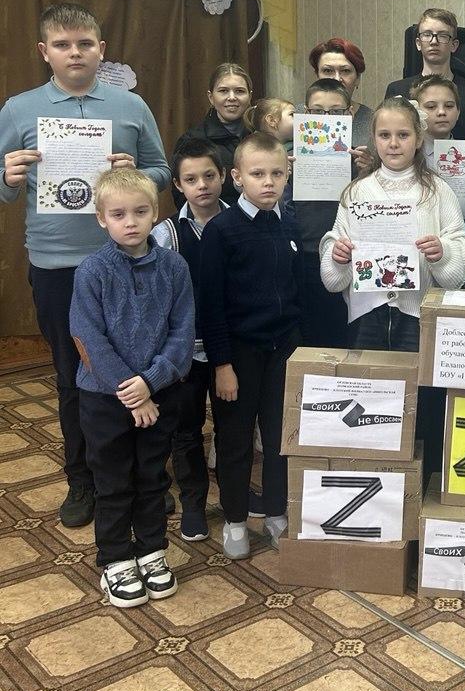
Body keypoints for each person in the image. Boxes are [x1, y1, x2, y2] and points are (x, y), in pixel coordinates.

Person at [0, 2, 170, 528]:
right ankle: (84, 479)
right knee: (75, 375)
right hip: (57, 266)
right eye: (63, 45)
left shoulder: (130, 105)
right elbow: (2, 188)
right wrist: (7, 177)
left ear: (102, 50)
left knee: (139, 366)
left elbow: (162, 172)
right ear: (44, 51)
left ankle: (144, 478)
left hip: (127, 262)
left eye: (84, 44)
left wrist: (138, 173)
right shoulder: (19, 109)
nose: (74, 53)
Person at [69, 168, 193, 607]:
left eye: (140, 212)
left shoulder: (174, 267)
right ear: (102, 218)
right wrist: (131, 391)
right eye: (118, 214)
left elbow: (182, 333)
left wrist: (151, 382)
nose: (130, 222)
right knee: (113, 479)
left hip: (160, 393)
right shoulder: (92, 271)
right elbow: (87, 338)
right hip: (105, 399)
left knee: (152, 476)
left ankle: (152, 551)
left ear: (155, 213)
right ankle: (116, 559)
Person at [198, 132, 306, 561]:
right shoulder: (221, 231)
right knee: (235, 438)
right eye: (258, 174)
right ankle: (236, 519)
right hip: (238, 354)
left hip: (284, 350)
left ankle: (276, 514)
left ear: (287, 175)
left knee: (281, 436)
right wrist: (222, 364)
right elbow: (210, 305)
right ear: (237, 177)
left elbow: (298, 291)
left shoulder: (289, 224)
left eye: (277, 173)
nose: (268, 182)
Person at [319, 96, 465, 350]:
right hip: (366, 317)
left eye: (403, 135)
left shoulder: (437, 191)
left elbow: (459, 250)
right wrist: (339, 257)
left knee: (416, 375)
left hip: (419, 315)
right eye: (384, 135)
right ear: (374, 138)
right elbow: (332, 278)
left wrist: (443, 252)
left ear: (419, 138)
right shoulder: (357, 191)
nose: (393, 144)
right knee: (370, 374)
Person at [151, 138, 231, 542]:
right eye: (191, 179)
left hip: (229, 348)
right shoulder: (165, 234)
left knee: (231, 428)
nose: (202, 185)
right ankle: (195, 504)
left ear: (224, 177)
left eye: (209, 176)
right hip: (184, 353)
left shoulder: (238, 222)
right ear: (178, 185)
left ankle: (233, 498)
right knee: (186, 431)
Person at [293, 79, 353, 350]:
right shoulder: (288, 157)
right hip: (302, 255)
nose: (326, 119)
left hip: (344, 259)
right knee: (309, 338)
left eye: (336, 112)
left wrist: (366, 170)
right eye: (317, 112)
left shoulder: (360, 159)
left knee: (342, 336)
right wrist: (283, 174)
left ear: (349, 114)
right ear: (305, 112)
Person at [385, 8, 465, 138]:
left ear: (454, 45)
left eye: (443, 36)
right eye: (427, 34)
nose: (434, 41)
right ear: (418, 43)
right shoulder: (397, 90)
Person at [175, 63, 253, 206]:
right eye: (223, 91)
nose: (232, 97)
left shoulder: (260, 136)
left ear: (250, 96)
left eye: (239, 91)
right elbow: (182, 197)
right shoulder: (193, 140)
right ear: (211, 97)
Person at [309, 37, 373, 168]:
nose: (337, 79)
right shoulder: (296, 116)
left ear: (358, 79)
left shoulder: (373, 121)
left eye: (345, 71)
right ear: (317, 75)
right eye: (328, 71)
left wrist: (373, 168)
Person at [244, 97, 295, 207]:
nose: (299, 119)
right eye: (292, 115)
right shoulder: (252, 149)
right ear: (272, 121)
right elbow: (239, 183)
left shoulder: (297, 147)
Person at [410, 75, 462, 165]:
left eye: (449, 106)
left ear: (458, 112)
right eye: (431, 106)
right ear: (416, 112)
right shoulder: (406, 154)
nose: (442, 112)